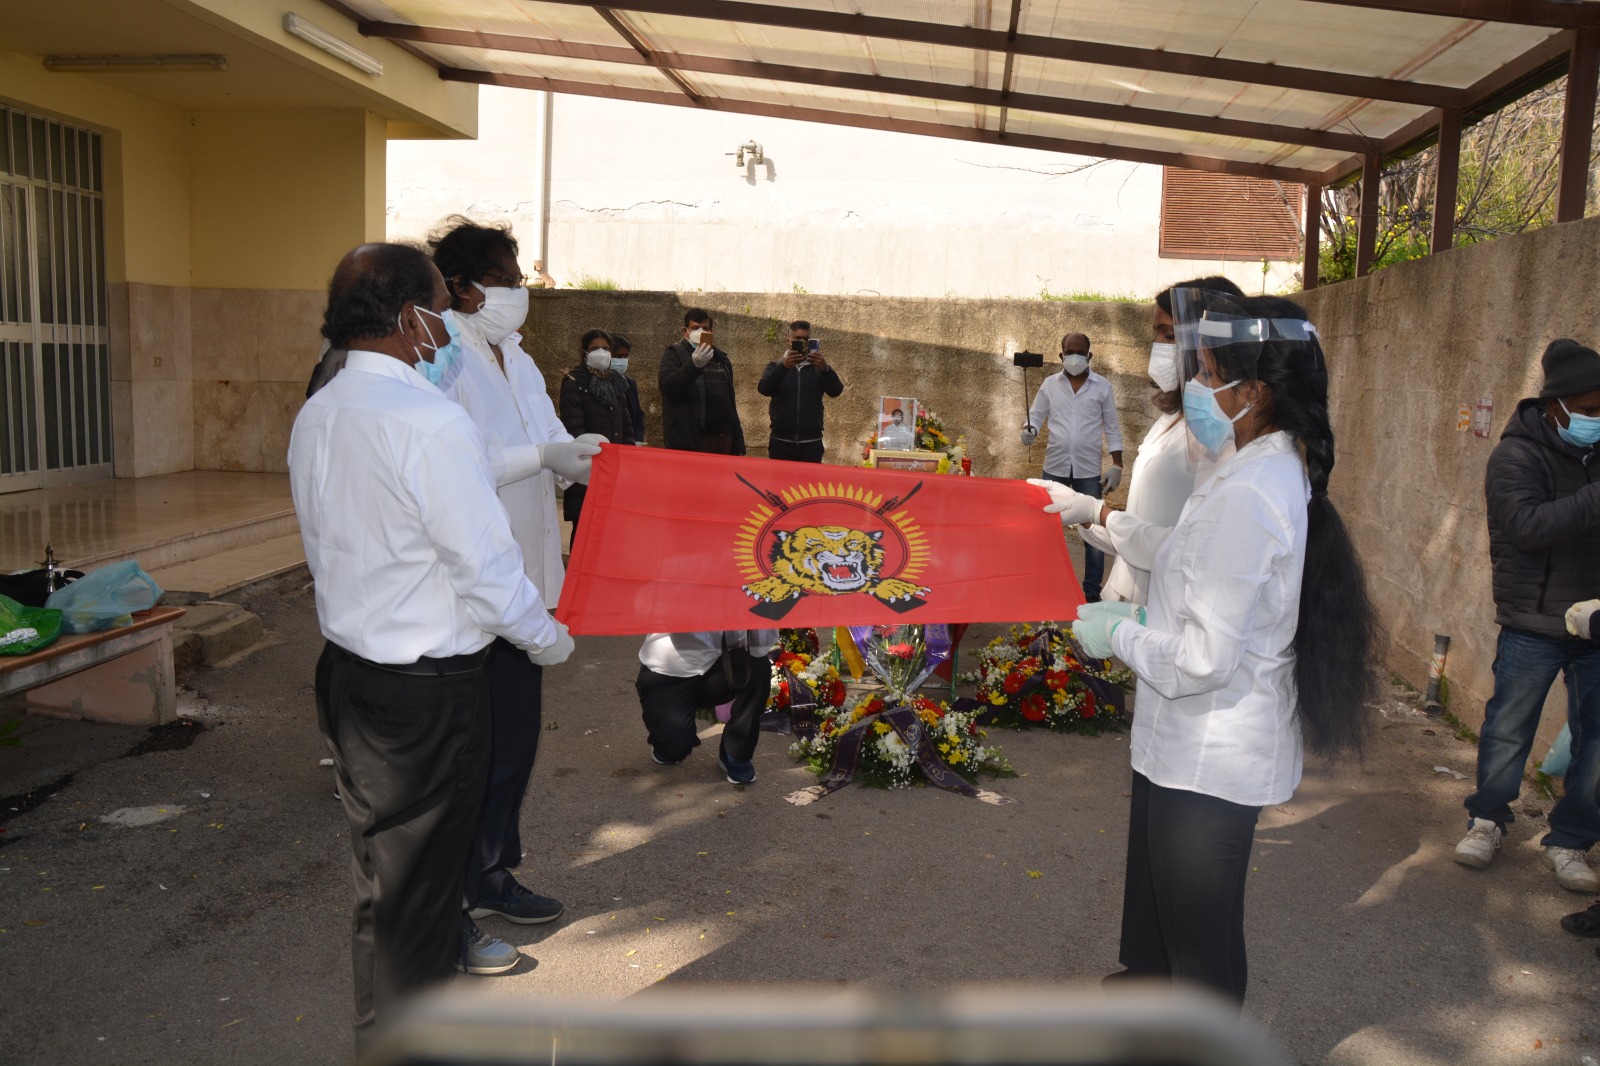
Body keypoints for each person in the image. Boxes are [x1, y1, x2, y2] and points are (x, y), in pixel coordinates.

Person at [1049, 292, 1379, 1005]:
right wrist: (1099, 520)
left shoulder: (1251, 490)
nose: (1194, 386)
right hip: (1191, 746)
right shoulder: (1247, 463)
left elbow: (1202, 660)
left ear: (1253, 392)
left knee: (1202, 950)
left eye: (1206, 373)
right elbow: (1186, 555)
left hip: (1211, 756)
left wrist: (1119, 633)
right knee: (1187, 930)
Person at [289, 243, 580, 1041]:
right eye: (439, 310)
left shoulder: (322, 409)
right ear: (412, 318)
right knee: (419, 899)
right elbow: (482, 564)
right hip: (427, 692)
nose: (446, 328)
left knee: (386, 889)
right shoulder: (428, 419)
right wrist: (542, 634)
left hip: (352, 675)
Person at [429, 218, 603, 974]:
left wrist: (578, 459)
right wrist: (542, 454)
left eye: (518, 276)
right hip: (472, 586)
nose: (517, 290)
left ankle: (492, 872)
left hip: (527, 582)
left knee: (514, 745)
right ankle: (451, 904)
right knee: (467, 752)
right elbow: (458, 460)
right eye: (503, 278)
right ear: (462, 286)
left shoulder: (519, 356)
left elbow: (548, 434)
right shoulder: (440, 354)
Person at [1452, 338, 1600, 893]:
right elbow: (1528, 528)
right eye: (1587, 409)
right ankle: (1487, 821)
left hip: (1597, 621)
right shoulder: (1515, 455)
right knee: (1509, 728)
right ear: (1555, 405)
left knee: (1596, 741)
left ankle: (1571, 841)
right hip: (1534, 621)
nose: (1596, 419)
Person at [1077, 278, 1247, 605]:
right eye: (1156, 333)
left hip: (1168, 606)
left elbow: (1189, 546)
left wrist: (1100, 514)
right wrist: (1085, 516)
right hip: (1131, 599)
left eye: (1169, 335)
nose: (1158, 345)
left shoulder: (1219, 429)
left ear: (1210, 342)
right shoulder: (1176, 416)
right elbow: (1141, 525)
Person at [1022, 332, 1124, 602]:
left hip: (1088, 470)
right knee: (1045, 527)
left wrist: (1117, 464)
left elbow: (1112, 428)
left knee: (1093, 530)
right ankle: (1043, 584)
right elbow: (1035, 416)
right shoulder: (1049, 385)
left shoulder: (1102, 388)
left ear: (1090, 356)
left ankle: (1091, 592)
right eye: (1070, 352)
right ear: (1061, 355)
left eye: (1081, 352)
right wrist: (1029, 430)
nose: (1075, 357)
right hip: (1054, 466)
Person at [636, 630, 778, 784]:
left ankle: (736, 754)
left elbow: (759, 650)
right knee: (673, 750)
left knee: (758, 668)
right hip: (670, 670)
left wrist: (753, 624)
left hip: (718, 664)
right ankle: (665, 744)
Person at [560, 329, 638, 543]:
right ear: (584, 352)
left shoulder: (616, 383)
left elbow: (626, 425)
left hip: (614, 471)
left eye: (605, 348)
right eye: (595, 349)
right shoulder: (574, 383)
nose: (601, 353)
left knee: (611, 534)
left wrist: (626, 456)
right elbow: (573, 429)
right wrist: (600, 457)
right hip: (587, 473)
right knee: (585, 534)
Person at [660, 308, 746, 454]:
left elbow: (730, 402)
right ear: (685, 331)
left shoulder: (721, 358)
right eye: (695, 328)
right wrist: (693, 366)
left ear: (711, 331)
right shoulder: (674, 353)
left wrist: (738, 442)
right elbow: (666, 386)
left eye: (705, 328)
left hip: (724, 439)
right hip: (694, 440)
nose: (700, 332)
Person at [758, 320, 844, 463]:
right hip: (781, 442)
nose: (803, 342)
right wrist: (783, 367)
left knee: (810, 479)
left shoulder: (819, 369)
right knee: (779, 478)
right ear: (789, 341)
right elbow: (764, 389)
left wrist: (826, 369)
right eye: (798, 338)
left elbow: (836, 391)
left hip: (811, 443)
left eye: (806, 339)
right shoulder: (775, 366)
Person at [609, 332, 648, 444]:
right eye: (618, 356)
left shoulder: (630, 384)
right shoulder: (599, 385)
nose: (622, 361)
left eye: (625, 356)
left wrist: (637, 439)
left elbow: (638, 415)